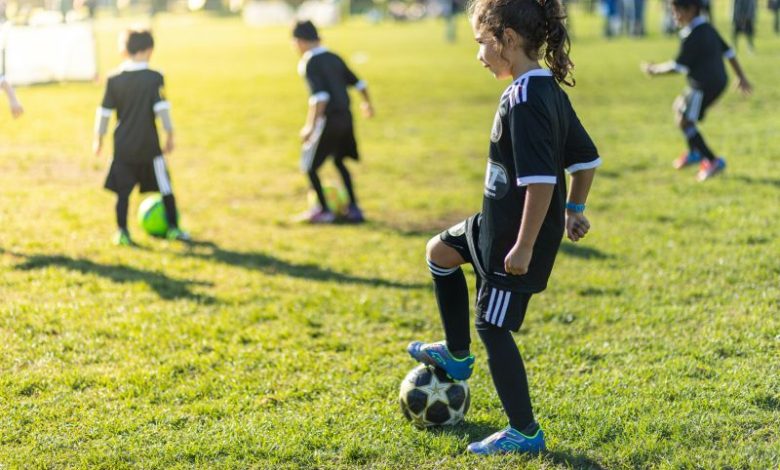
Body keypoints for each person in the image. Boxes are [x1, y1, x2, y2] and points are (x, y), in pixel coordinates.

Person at [407, 0, 601, 455]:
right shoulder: (545, 89)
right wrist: (574, 207)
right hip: (492, 222)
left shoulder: (527, 100)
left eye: (482, 43)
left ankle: (524, 432)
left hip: (513, 236)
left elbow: (540, 182)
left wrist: (524, 246)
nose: (479, 55)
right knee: (440, 252)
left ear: (508, 40)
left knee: (493, 328)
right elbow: (586, 160)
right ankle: (456, 356)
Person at [93, 29, 190, 245]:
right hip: (150, 146)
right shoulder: (155, 77)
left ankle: (122, 233)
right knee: (165, 187)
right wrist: (170, 135)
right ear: (149, 50)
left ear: (125, 50)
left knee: (123, 193)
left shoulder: (114, 79)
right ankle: (174, 228)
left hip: (123, 147)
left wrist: (98, 138)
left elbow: (104, 113)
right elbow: (162, 109)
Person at [641, 0, 751, 181]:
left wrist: (654, 70)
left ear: (691, 9)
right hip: (709, 82)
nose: (674, 16)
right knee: (679, 107)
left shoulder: (694, 35)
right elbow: (729, 52)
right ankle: (694, 152)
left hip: (704, 85)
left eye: (677, 12)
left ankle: (712, 160)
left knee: (686, 121)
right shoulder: (707, 28)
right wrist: (741, 77)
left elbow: (678, 67)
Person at [293, 20, 374, 224]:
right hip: (346, 117)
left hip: (329, 119)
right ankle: (355, 209)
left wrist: (310, 127)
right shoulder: (334, 57)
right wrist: (367, 104)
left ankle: (323, 210)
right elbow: (360, 83)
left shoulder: (309, 62)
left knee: (309, 167)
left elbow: (320, 97)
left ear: (299, 42)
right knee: (339, 161)